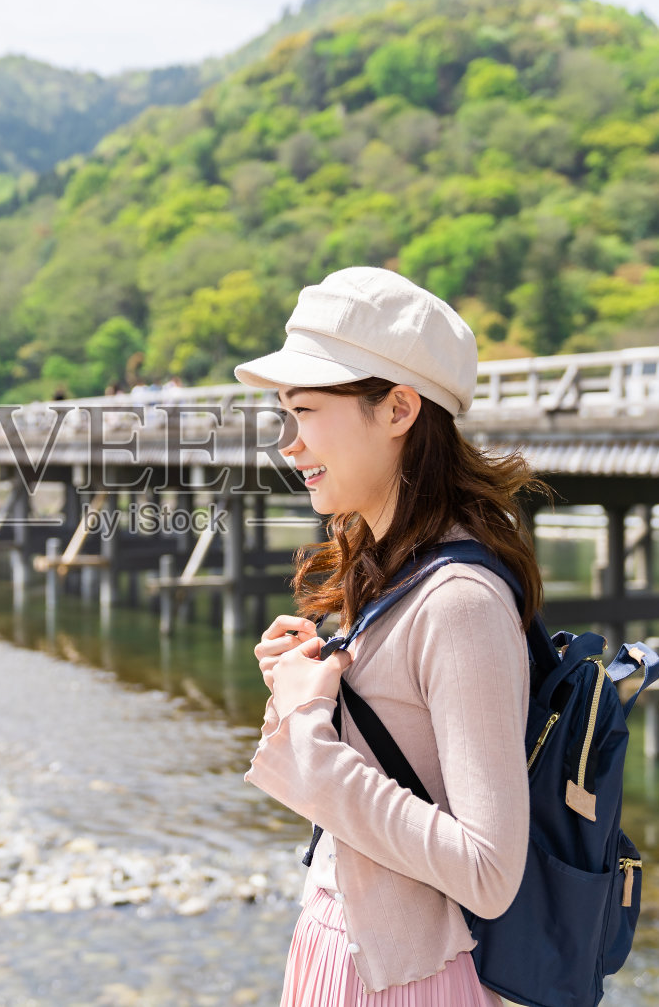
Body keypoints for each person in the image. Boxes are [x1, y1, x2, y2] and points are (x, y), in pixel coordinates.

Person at [234, 267, 542, 1007]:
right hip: (353, 949)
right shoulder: (389, 569)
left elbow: (489, 869)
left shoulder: (460, 600)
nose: (289, 443)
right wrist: (305, 690)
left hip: (408, 980)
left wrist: (309, 728)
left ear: (399, 407)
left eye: (305, 410)